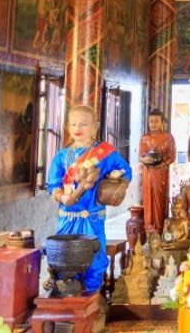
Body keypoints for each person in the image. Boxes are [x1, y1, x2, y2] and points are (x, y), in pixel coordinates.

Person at [47, 104, 132, 293]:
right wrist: (62, 196)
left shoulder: (105, 153)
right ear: (68, 127)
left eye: (84, 124)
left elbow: (126, 170)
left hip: (93, 218)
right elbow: (52, 186)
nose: (78, 129)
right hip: (68, 218)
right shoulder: (62, 157)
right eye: (74, 124)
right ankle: (68, 299)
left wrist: (120, 184)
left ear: (95, 127)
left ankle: (92, 298)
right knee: (65, 258)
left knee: (95, 260)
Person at [139, 109, 177, 235]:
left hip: (161, 173)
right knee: (148, 200)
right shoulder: (145, 138)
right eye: (151, 121)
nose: (153, 124)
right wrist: (146, 159)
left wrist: (161, 164)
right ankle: (149, 231)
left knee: (159, 201)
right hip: (148, 172)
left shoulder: (168, 137)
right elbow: (141, 155)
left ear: (162, 123)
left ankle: (160, 230)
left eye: (156, 121)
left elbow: (171, 156)